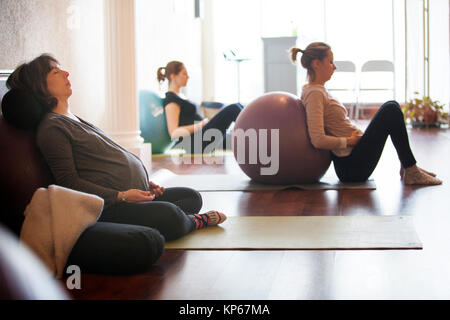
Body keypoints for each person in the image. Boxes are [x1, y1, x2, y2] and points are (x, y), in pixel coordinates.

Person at [6, 54, 227, 274]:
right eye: (56, 71)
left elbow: (110, 158)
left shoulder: (74, 119)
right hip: (110, 206)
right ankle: (192, 222)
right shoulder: (52, 129)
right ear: (41, 86)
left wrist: (144, 182)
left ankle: (169, 218)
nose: (66, 73)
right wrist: (121, 195)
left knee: (191, 196)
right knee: (169, 216)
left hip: (134, 196)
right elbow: (69, 183)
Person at [289, 42, 442, 185]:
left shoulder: (317, 90)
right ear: (316, 64)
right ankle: (411, 169)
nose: (334, 67)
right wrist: (349, 141)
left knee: (392, 106)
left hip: (354, 158)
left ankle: (409, 167)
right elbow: (317, 139)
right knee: (391, 110)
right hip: (351, 167)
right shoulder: (315, 93)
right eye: (330, 62)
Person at [157, 61, 243, 153]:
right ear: (173, 76)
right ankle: (258, 130)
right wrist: (200, 125)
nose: (188, 77)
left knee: (238, 108)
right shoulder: (171, 99)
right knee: (233, 109)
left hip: (202, 137)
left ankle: (257, 136)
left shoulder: (180, 96)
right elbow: (174, 133)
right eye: (184, 74)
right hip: (194, 143)